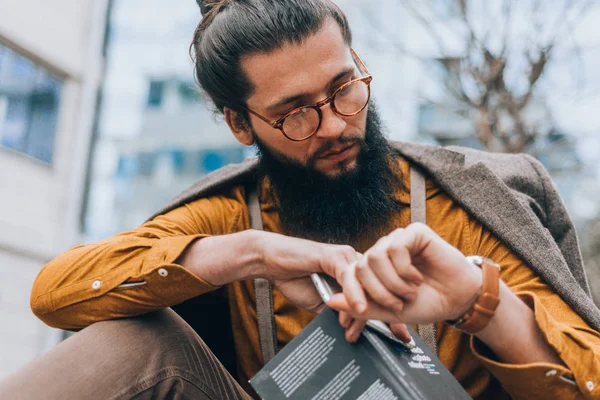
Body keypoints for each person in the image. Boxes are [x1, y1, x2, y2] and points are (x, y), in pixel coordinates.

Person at [2, 0, 600, 399]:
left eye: (344, 89)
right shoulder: (235, 212)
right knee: (132, 340)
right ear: (241, 125)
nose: (337, 125)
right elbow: (55, 293)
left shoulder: (466, 202)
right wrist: (251, 254)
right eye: (294, 115)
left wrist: (478, 301)